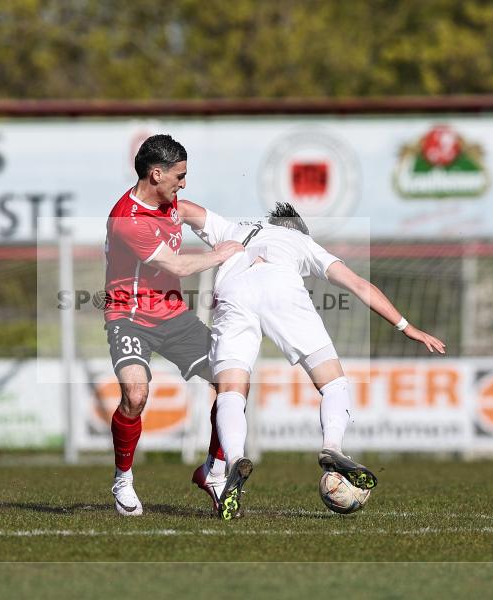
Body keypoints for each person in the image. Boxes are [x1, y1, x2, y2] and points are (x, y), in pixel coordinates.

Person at [177, 201, 446, 520]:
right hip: (281, 289)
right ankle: (332, 446)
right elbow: (359, 285)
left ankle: (235, 460)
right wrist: (407, 327)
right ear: (299, 228)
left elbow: (183, 208)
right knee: (333, 382)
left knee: (231, 392)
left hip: (232, 293)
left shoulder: (236, 228)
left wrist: (151, 217)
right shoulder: (303, 241)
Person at [103, 134, 243, 516]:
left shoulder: (174, 204)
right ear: (156, 174)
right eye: (179, 176)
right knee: (136, 395)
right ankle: (123, 478)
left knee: (232, 383)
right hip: (129, 316)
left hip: (174, 316)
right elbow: (178, 265)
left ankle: (213, 472)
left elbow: (220, 226)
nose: (184, 183)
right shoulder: (127, 220)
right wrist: (221, 254)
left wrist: (253, 240)